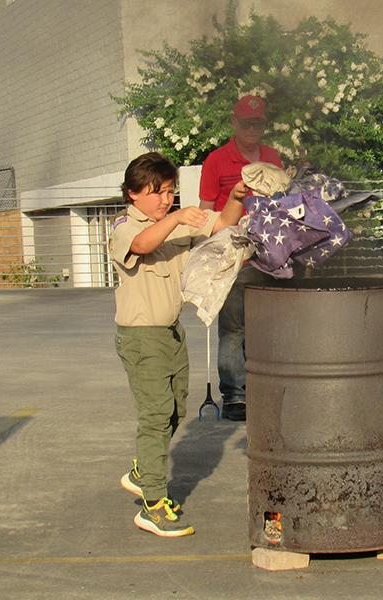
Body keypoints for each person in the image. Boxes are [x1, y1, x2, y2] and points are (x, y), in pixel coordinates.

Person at [111, 152, 245, 537]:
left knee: (175, 410)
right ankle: (153, 504)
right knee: (156, 415)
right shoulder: (126, 225)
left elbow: (223, 223)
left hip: (170, 332)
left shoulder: (174, 221)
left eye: (170, 192)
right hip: (141, 337)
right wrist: (176, 217)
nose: (165, 199)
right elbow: (140, 245)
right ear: (133, 193)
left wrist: (235, 196)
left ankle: (142, 470)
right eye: (157, 192)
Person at [199, 95, 284, 421]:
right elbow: (206, 210)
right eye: (246, 123)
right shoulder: (216, 160)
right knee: (234, 328)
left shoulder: (272, 157)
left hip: (270, 256)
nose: (252, 129)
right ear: (234, 122)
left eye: (258, 123)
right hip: (234, 256)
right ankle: (235, 395)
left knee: (266, 326)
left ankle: (264, 387)